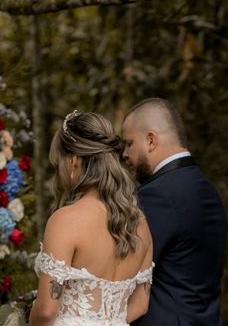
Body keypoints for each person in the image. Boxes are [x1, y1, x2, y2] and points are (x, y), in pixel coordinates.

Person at [30, 111, 153, 326]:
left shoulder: (65, 220)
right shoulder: (140, 222)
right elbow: (141, 303)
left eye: (58, 162)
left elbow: (46, 311)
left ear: (74, 161)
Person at [122, 98, 227, 326]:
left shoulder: (157, 196)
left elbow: (124, 275)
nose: (124, 154)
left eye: (129, 143)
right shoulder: (208, 191)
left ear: (151, 140)